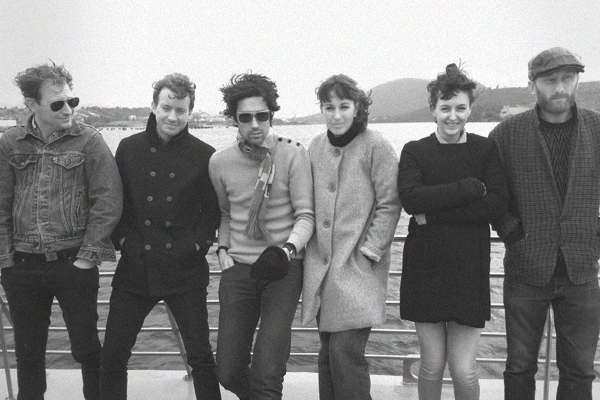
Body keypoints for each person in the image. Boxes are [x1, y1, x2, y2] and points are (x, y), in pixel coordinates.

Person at [0, 62, 123, 400]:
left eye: (72, 101)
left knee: (87, 349)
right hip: (22, 266)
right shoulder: (9, 142)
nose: (68, 109)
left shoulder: (90, 141)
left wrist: (86, 258)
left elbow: (108, 201)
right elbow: (1, 203)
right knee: (28, 353)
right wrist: (6, 260)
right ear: (32, 104)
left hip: (73, 263)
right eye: (57, 104)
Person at [99, 73, 221, 400]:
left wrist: (196, 247)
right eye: (166, 108)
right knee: (113, 355)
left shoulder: (205, 154)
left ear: (190, 112)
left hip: (185, 269)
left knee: (201, 358)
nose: (172, 117)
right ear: (154, 106)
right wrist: (126, 243)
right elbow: (117, 206)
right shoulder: (129, 148)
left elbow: (211, 214)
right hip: (137, 267)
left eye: (180, 110)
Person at [489, 47, 600, 400]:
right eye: (550, 80)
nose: (560, 87)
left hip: (582, 269)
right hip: (526, 268)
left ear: (577, 80)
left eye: (568, 78)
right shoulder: (506, 134)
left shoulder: (598, 128)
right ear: (532, 85)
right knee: (520, 367)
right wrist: (513, 235)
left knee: (580, 369)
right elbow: (493, 196)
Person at [397, 64, 508, 400]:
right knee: (431, 365)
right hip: (424, 270)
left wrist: (432, 213)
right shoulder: (415, 150)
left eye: (461, 108)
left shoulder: (485, 149)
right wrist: (470, 187)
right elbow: (410, 199)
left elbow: (496, 206)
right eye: (445, 108)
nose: (453, 116)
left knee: (464, 369)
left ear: (470, 109)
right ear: (433, 109)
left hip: (469, 269)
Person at [209, 73, 314, 400]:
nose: (255, 124)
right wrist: (222, 248)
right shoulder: (219, 162)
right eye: (245, 117)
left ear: (272, 114)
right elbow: (226, 214)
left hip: (283, 267)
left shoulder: (294, 153)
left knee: (267, 373)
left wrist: (287, 250)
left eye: (262, 115)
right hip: (238, 268)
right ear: (234, 119)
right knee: (227, 371)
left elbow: (306, 215)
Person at [301, 74, 401, 400]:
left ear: (357, 107)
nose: (336, 115)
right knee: (328, 355)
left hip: (358, 270)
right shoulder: (315, 147)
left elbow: (390, 202)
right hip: (322, 271)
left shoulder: (376, 145)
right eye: (329, 107)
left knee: (345, 354)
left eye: (344, 106)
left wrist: (370, 250)